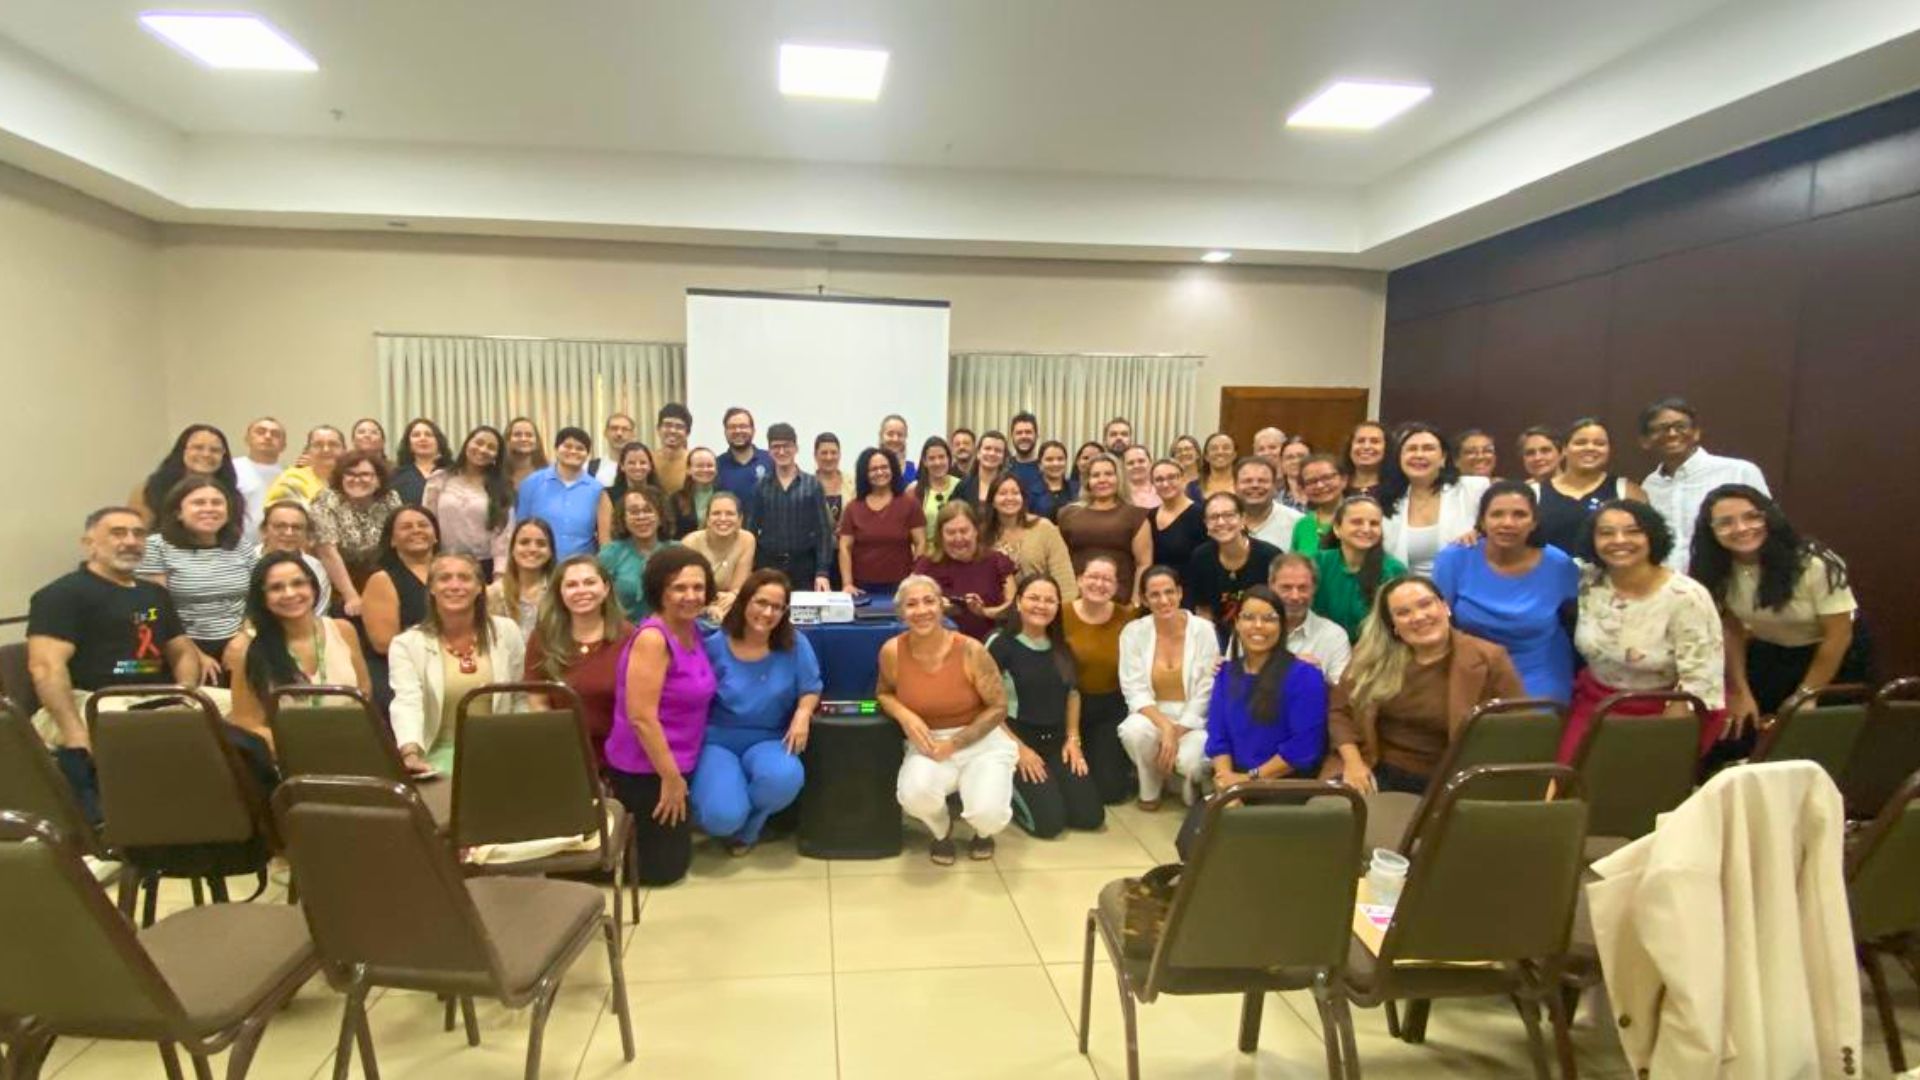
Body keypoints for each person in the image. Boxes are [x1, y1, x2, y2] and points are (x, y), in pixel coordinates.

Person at [27, 508, 203, 822]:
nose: (131, 541)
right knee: (146, 731)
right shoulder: (61, 595)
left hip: (161, 695)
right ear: (89, 543)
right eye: (118, 533)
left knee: (242, 714)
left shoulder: (154, 594)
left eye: (138, 534)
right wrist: (75, 734)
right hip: (94, 698)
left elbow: (183, 653)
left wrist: (185, 693)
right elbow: (45, 667)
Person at [1691, 484, 1867, 762]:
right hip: (1772, 652)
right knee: (1736, 734)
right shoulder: (1715, 568)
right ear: (1710, 530)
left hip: (1833, 658)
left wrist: (1806, 696)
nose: (1741, 528)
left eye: (1752, 517)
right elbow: (1732, 630)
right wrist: (1740, 690)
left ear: (1769, 517)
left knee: (1812, 744)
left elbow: (1838, 635)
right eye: (1725, 523)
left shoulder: (1814, 563)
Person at [1323, 577, 1525, 795]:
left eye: (1425, 604)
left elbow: (1519, 727)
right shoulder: (1371, 657)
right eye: (1403, 612)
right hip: (1373, 766)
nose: (1418, 617)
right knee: (1331, 811)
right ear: (1393, 626)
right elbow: (1340, 712)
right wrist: (1353, 763)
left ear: (1445, 607)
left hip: (1453, 779)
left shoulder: (1489, 658)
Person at [1562, 500, 1726, 763]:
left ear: (1652, 536)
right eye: (1606, 533)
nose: (1619, 540)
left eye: (1633, 531)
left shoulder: (1686, 596)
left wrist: (1663, 739)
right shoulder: (1588, 581)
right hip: (1595, 703)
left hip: (1665, 710)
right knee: (1567, 778)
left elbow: (1700, 679)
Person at [1176, 586, 1327, 857]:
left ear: (1282, 625)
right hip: (1235, 780)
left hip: (1283, 784)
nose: (1258, 626)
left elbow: (1303, 747)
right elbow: (1218, 735)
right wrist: (1226, 780)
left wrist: (1248, 781)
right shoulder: (1226, 674)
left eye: (1269, 618)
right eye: (1248, 617)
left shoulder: (1304, 675)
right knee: (1191, 843)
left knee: (1238, 848)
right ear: (1236, 623)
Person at [878, 574, 1017, 864]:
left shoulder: (971, 650)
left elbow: (998, 707)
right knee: (914, 795)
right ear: (901, 613)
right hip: (929, 741)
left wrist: (955, 743)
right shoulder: (892, 651)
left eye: (929, 601)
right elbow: (884, 693)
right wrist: (905, 715)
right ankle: (942, 832)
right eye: (911, 604)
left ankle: (983, 833)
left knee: (988, 813)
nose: (921, 610)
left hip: (980, 740)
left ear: (942, 605)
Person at [607, 547, 717, 885]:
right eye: (679, 588)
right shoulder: (653, 639)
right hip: (647, 767)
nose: (691, 596)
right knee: (664, 871)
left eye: (698, 587)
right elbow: (641, 718)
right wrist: (670, 778)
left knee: (676, 860)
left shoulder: (693, 629)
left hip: (682, 759)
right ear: (660, 591)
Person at [691, 570, 819, 854]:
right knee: (722, 817)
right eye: (761, 602)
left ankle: (750, 827)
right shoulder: (713, 645)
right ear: (744, 602)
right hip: (717, 740)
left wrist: (803, 714)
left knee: (784, 778)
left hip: (770, 738)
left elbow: (811, 687)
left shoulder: (796, 644)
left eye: (777, 607)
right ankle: (728, 816)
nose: (768, 612)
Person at [1432, 482, 1580, 702]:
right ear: (1482, 521)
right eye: (1497, 514)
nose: (1508, 523)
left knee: (1530, 719)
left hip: (1539, 665)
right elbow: (1439, 621)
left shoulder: (1558, 564)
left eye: (1519, 515)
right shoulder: (1454, 558)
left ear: (1534, 522)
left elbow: (1577, 617)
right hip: (1472, 662)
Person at [388, 553, 527, 777]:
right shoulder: (406, 644)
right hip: (439, 755)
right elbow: (407, 702)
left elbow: (520, 696)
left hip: (502, 750)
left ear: (479, 587)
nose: (454, 586)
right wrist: (410, 753)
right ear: (431, 588)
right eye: (444, 578)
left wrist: (523, 746)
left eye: (464, 578)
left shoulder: (506, 631)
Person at [989, 574, 1104, 837]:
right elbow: (984, 705)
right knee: (1049, 825)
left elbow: (1073, 694)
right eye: (1034, 598)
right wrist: (1019, 749)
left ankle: (1048, 786)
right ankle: (1008, 789)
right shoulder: (1000, 643)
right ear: (1018, 602)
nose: (1041, 605)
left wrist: (1073, 740)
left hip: (1055, 742)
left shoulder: (1062, 647)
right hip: (1015, 741)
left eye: (1049, 600)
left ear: (1057, 606)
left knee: (1090, 817)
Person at [225, 553, 372, 743]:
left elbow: (364, 691)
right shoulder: (248, 649)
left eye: (298, 583)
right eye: (276, 588)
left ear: (313, 586)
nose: (290, 593)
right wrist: (302, 746)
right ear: (262, 597)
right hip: (288, 751)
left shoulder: (344, 630)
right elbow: (247, 722)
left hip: (349, 741)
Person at [1116, 566, 1219, 809]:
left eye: (1169, 592)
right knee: (1133, 732)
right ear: (1144, 599)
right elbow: (1134, 689)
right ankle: (1150, 786)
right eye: (1155, 594)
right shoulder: (1133, 632)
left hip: (1193, 718)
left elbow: (1207, 688)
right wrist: (1165, 728)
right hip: (1152, 715)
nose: (1164, 600)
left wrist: (1177, 731)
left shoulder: (1203, 630)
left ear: (1180, 593)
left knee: (1191, 760)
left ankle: (1182, 783)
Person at [136, 476, 256, 678]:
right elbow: (156, 611)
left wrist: (245, 637)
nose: (209, 509)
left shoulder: (240, 545)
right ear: (178, 512)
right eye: (199, 503)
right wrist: (194, 654)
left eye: (217, 503)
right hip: (179, 646)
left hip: (240, 643)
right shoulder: (156, 547)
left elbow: (258, 598)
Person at [1638, 397, 1770, 574]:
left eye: (1680, 426)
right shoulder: (1649, 485)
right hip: (1668, 583)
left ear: (1696, 433)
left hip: (1726, 580)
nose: (1672, 434)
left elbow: (1769, 528)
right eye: (1661, 429)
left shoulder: (1738, 472)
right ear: (1645, 441)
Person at [526, 555, 634, 770]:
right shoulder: (543, 637)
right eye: (571, 585)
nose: (581, 590)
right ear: (560, 593)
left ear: (605, 588)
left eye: (589, 582)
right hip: (562, 752)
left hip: (620, 757)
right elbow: (538, 702)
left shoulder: (630, 636)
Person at [1060, 555, 1138, 805]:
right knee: (1073, 784)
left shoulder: (1129, 617)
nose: (1099, 584)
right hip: (1066, 707)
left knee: (1110, 792)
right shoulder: (1060, 613)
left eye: (1107, 579)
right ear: (1079, 580)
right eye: (1093, 576)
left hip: (1110, 708)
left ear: (1116, 586)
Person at [1379, 422, 1490, 577]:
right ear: (1400, 459)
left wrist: (1482, 532)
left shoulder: (1474, 489)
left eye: (1428, 448)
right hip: (1408, 587)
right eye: (1411, 449)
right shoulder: (1388, 501)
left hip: (1466, 583)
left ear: (1443, 458)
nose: (1419, 455)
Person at [1532, 417, 1647, 556]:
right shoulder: (1535, 493)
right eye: (1580, 443)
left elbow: (1643, 543)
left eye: (1599, 443)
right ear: (1564, 449)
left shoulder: (1627, 491)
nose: (1590, 448)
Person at [1184, 491, 1284, 647]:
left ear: (1243, 518)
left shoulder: (1270, 556)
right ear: (1206, 524)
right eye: (1214, 517)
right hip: (1218, 637)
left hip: (1263, 633)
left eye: (1229, 515)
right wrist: (1210, 646)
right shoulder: (1201, 557)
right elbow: (1203, 610)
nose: (1221, 522)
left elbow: (1280, 609)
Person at [310, 449, 404, 615]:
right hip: (340, 582)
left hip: (383, 576)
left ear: (378, 480)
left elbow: (400, 542)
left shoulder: (390, 498)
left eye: (365, 474)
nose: (357, 479)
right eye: (350, 474)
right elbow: (327, 552)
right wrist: (351, 596)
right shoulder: (326, 499)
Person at [912, 502, 1016, 640]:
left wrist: (983, 612)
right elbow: (906, 602)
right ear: (940, 535)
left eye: (964, 531)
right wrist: (934, 606)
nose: (958, 538)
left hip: (988, 643)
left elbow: (1013, 607)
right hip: (938, 643)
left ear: (976, 531)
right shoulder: (926, 564)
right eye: (950, 532)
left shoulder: (997, 561)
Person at [1310, 496, 1407, 642]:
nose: (1366, 529)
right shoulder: (1318, 563)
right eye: (1357, 522)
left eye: (1374, 523)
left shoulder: (1394, 570)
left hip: (1375, 649)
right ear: (1337, 529)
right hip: (1323, 646)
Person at [1057, 453, 1151, 604]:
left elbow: (1143, 563)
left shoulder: (1136, 515)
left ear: (1119, 478)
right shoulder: (1067, 514)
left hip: (1120, 601)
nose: (1102, 480)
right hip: (1075, 599)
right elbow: (1058, 561)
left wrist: (1136, 602)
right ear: (1087, 481)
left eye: (1109, 474)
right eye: (1095, 475)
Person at [421, 425, 513, 578]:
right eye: (479, 442)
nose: (483, 449)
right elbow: (427, 521)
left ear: (497, 456)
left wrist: (499, 577)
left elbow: (503, 536)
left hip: (484, 566)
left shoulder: (501, 489)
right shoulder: (440, 479)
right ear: (467, 444)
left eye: (491, 447)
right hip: (442, 562)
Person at [750, 423, 833, 591]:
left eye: (786, 446)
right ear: (769, 451)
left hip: (804, 567)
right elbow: (751, 530)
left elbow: (823, 532)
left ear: (796, 448)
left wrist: (822, 572)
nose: (781, 451)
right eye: (776, 447)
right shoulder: (761, 486)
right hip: (768, 566)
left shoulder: (812, 485)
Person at [360, 505, 441, 667]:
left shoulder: (454, 571)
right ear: (392, 540)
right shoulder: (381, 580)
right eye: (406, 527)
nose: (416, 530)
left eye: (423, 525)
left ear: (436, 536)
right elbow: (384, 644)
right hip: (405, 667)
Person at [837, 448, 925, 595]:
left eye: (884, 467)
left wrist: (915, 575)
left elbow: (921, 542)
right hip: (861, 588)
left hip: (902, 586)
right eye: (873, 469)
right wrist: (847, 584)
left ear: (893, 469)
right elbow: (845, 547)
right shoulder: (853, 508)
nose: (879, 472)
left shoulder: (910, 504)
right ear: (865, 474)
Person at [981, 474, 1077, 603]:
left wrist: (1065, 609)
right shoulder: (982, 534)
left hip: (1041, 608)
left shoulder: (1044, 528)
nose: (1009, 498)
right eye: (1002, 493)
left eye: (1015, 493)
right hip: (997, 610)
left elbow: (1065, 579)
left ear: (1023, 498)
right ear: (992, 501)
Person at [515, 426, 603, 558]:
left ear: (587, 454)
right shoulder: (532, 483)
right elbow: (520, 526)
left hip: (581, 563)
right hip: (539, 561)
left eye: (580, 448)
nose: (573, 451)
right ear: (556, 449)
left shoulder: (597, 489)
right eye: (567, 446)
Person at [132, 424, 242, 527]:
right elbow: (138, 533)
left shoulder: (232, 495)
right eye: (198, 447)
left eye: (215, 450)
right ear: (181, 451)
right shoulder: (151, 490)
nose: (206, 454)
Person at [1268, 554, 1352, 684]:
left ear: (1314, 588)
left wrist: (1316, 677)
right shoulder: (1249, 630)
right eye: (1286, 587)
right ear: (1271, 586)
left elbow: (1343, 692)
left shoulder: (1334, 636)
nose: (1295, 596)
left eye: (1303, 588)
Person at [598, 486, 677, 621]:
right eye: (634, 512)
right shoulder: (610, 554)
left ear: (661, 516)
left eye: (648, 510)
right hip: (623, 629)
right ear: (623, 519)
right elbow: (601, 600)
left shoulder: (677, 552)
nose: (641, 517)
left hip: (669, 628)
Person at [683, 491, 755, 620]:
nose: (723, 519)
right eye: (716, 513)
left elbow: (737, 589)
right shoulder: (690, 543)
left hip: (729, 606)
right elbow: (685, 590)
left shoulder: (747, 540)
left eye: (730, 514)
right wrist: (707, 609)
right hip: (693, 607)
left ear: (740, 519)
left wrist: (731, 597)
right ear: (707, 519)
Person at [485, 517, 554, 643]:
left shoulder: (559, 592)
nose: (532, 549)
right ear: (512, 549)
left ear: (550, 552)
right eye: (524, 542)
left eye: (541, 544)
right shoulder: (493, 594)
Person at [258, 499, 331, 615]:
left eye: (297, 527)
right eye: (280, 526)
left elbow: (318, 614)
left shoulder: (316, 568)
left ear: (306, 533)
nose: (289, 533)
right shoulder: (245, 561)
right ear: (264, 531)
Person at [231, 417, 287, 547]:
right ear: (247, 439)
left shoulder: (289, 476)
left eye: (275, 434)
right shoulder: (231, 468)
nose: (268, 436)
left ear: (283, 445)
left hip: (276, 548)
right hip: (237, 548)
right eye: (261, 432)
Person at [595, 441, 661, 546]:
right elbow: (605, 540)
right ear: (622, 466)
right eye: (631, 463)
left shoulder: (659, 494)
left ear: (650, 466)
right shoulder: (608, 495)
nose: (637, 467)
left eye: (643, 463)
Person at [1147, 458, 1206, 575]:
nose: (1165, 484)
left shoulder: (1201, 515)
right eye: (1159, 480)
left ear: (1183, 479)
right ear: (1152, 484)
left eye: (1172, 477)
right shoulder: (1149, 516)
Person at [264, 425, 345, 507]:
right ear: (308, 451)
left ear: (344, 450)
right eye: (318, 445)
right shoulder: (292, 479)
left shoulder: (350, 481)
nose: (326, 450)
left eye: (333, 444)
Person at [1235, 454, 1302, 548]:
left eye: (1262, 481)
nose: (1255, 485)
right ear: (1235, 486)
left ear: (1274, 486)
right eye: (1247, 481)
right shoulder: (1221, 521)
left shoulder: (1297, 523)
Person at [715, 406, 774, 506]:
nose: (738, 431)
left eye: (743, 426)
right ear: (725, 432)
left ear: (753, 430)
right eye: (732, 427)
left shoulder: (771, 459)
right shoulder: (716, 465)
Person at [1289, 453, 1347, 554]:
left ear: (1344, 479)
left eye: (1327, 478)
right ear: (1303, 489)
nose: (1320, 485)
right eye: (1311, 481)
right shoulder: (1303, 525)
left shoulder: (1361, 517)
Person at [390, 418, 451, 506]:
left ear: (438, 442)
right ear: (409, 445)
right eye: (416, 435)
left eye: (428, 435)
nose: (423, 439)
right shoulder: (396, 476)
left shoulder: (454, 472)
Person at [908, 435, 961, 534]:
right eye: (932, 458)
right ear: (924, 462)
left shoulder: (961, 485)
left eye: (941, 457)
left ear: (949, 459)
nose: (937, 462)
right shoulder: (913, 489)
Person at [953, 430, 1012, 509]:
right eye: (987, 448)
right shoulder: (963, 486)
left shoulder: (1011, 486)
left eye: (998, 450)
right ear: (978, 453)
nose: (992, 453)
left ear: (1003, 458)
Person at [670, 447, 720, 537]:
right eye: (699, 466)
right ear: (688, 470)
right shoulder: (676, 499)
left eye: (710, 466)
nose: (705, 469)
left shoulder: (726, 496)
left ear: (716, 469)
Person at [1030, 439, 1077, 521]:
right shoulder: (1030, 493)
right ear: (1040, 464)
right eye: (1049, 459)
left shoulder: (1077, 489)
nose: (1055, 463)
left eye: (1060, 459)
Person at [587, 413, 638, 487]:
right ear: (605, 433)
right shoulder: (589, 468)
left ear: (633, 434)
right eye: (614, 428)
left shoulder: (642, 468)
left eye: (625, 429)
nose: (619, 433)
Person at [652, 403, 693, 496]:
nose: (673, 431)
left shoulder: (693, 462)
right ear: (658, 429)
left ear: (687, 433)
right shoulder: (649, 460)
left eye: (679, 427)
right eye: (667, 425)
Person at [813, 432, 848, 535]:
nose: (829, 457)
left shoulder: (854, 483)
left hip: (850, 543)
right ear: (815, 455)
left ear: (840, 455)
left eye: (833, 452)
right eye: (824, 453)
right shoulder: (806, 486)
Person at [1342, 421, 1388, 498]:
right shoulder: (1337, 486)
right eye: (1360, 441)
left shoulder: (1399, 488)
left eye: (1375, 441)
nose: (1366, 446)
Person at [503, 416, 548, 488]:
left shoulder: (550, 474)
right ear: (508, 440)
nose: (523, 439)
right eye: (517, 435)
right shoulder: (497, 473)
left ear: (537, 441)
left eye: (529, 435)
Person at [1191, 432, 1237, 500]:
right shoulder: (1193, 488)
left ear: (1234, 454)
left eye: (1226, 448)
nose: (1220, 452)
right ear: (1206, 456)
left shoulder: (1245, 484)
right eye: (1214, 449)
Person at [1007, 411, 1043, 494]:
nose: (1024, 436)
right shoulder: (1004, 468)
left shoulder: (1046, 468)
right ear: (1012, 437)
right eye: (1019, 433)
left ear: (1037, 436)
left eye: (1028, 432)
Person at [878, 414, 917, 486]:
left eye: (900, 435)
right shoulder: (869, 470)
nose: (895, 439)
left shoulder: (915, 471)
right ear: (881, 435)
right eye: (890, 434)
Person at [1276, 436, 1313, 511]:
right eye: (1290, 457)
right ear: (1281, 463)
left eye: (1301, 456)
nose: (1296, 461)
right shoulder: (1275, 503)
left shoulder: (1325, 495)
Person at [1121, 444, 1160, 510]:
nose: (1136, 466)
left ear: (1151, 463)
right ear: (1123, 467)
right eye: (1130, 463)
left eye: (1141, 461)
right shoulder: (1118, 494)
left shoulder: (1162, 489)